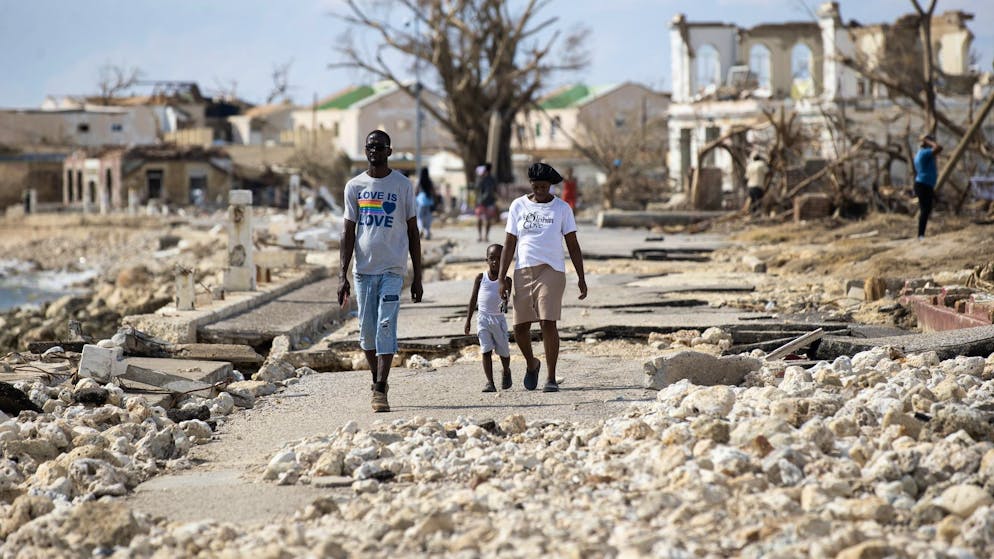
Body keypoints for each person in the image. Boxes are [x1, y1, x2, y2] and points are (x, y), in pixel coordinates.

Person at [338, 130, 423, 413]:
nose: (374, 151)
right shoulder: (354, 186)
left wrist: (418, 276)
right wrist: (343, 275)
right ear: (365, 151)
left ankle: (379, 388)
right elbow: (348, 231)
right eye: (369, 146)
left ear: (389, 151)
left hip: (393, 269)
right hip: (363, 271)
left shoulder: (402, 185)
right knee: (367, 333)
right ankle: (378, 379)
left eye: (379, 146)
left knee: (386, 325)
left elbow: (413, 230)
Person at [498, 162, 587, 393]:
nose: (540, 191)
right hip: (523, 270)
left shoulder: (562, 209)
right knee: (519, 328)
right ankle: (532, 363)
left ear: (551, 186)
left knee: (548, 321)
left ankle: (551, 377)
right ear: (531, 185)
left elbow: (573, 245)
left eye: (544, 187)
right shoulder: (518, 206)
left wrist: (581, 276)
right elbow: (509, 244)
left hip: (552, 270)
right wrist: (501, 277)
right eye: (536, 187)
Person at [464, 244, 513, 393]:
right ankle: (490, 382)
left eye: (499, 259)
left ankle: (506, 371)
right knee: (485, 350)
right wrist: (468, 320)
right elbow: (473, 299)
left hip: (498, 320)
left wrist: (504, 298)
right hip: (483, 319)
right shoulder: (481, 278)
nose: (495, 262)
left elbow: (506, 302)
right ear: (487, 260)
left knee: (504, 352)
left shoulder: (507, 280)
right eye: (492, 259)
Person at [914, 133, 943, 240]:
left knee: (927, 209)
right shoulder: (924, 153)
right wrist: (927, 140)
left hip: (926, 185)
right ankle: (920, 235)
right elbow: (939, 148)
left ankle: (921, 234)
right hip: (923, 185)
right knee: (925, 209)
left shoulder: (922, 153)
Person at [474, 163, 498, 242]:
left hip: (483, 202)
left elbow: (487, 191)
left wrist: (481, 200)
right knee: (487, 219)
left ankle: (481, 236)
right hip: (489, 202)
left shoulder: (484, 178)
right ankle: (485, 236)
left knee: (481, 219)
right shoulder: (490, 178)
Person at [415, 168, 435, 240]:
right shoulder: (430, 181)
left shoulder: (419, 180)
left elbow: (416, 190)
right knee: (428, 218)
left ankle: (420, 229)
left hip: (421, 200)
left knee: (419, 217)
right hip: (429, 200)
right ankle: (427, 232)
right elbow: (433, 191)